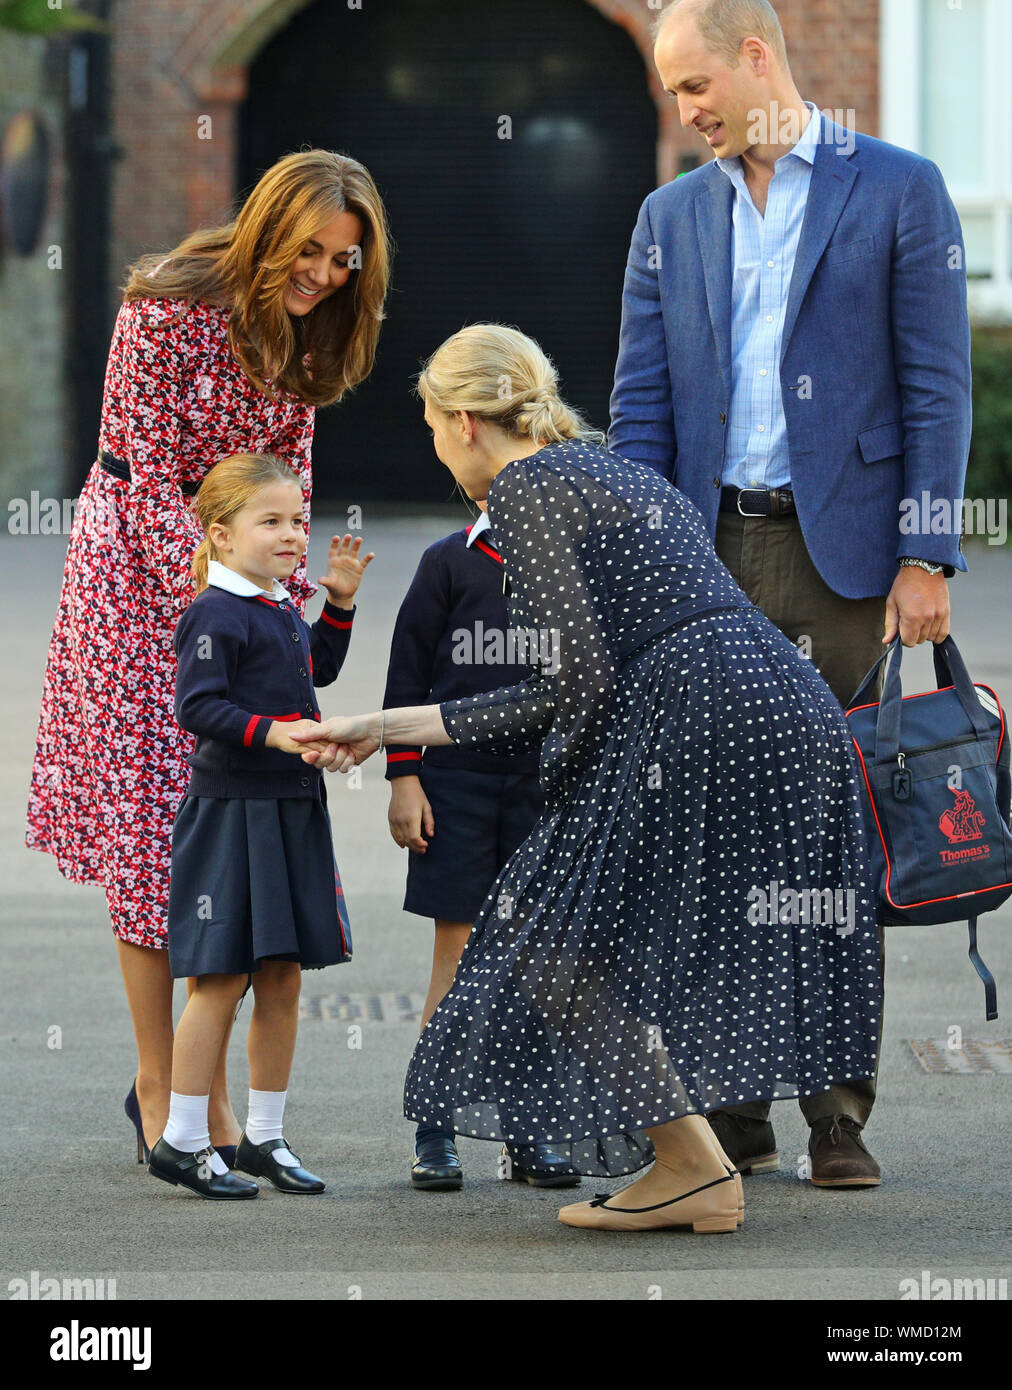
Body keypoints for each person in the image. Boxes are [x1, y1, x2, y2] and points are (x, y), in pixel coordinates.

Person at [292, 323, 882, 1234]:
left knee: (544, 932)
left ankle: (693, 1167)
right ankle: (700, 1161)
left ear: (462, 421)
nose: (436, 448)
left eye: (429, 427)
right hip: (779, 703)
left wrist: (390, 728)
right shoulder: (610, 467)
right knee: (661, 930)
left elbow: (573, 686)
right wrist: (387, 728)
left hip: (697, 715)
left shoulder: (525, 489)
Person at [608, 0, 971, 1185]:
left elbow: (935, 387)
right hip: (706, 556)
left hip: (845, 568)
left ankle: (838, 1114)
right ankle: (732, 1105)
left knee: (829, 836)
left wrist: (925, 557)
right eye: (671, 95)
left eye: (692, 85)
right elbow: (641, 411)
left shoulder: (896, 188)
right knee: (709, 835)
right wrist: (636, 568)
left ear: (754, 55)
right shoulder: (669, 214)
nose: (684, 111)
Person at [25, 150, 391, 1165]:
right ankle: (164, 1093)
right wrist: (215, 612)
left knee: (227, 828)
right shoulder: (164, 305)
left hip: (235, 581)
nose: (321, 275)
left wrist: (279, 602)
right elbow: (146, 478)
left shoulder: (314, 330)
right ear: (268, 225)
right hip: (136, 579)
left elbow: (290, 478)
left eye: (343, 260)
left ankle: (208, 1094)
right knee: (155, 835)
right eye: (308, 251)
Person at [147, 452, 374, 1200]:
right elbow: (198, 708)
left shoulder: (278, 605)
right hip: (232, 816)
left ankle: (264, 1139)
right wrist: (275, 735)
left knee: (281, 977)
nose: (291, 534)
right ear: (219, 534)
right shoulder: (212, 612)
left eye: (297, 519)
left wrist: (337, 603)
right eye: (270, 521)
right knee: (219, 978)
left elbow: (318, 670)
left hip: (291, 810)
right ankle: (181, 1140)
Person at [382, 499, 578, 1191]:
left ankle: (529, 1132)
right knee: (457, 961)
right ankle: (435, 1131)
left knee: (534, 964)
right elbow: (406, 674)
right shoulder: (447, 562)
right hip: (455, 786)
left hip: (545, 789)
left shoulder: (573, 562)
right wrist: (404, 780)